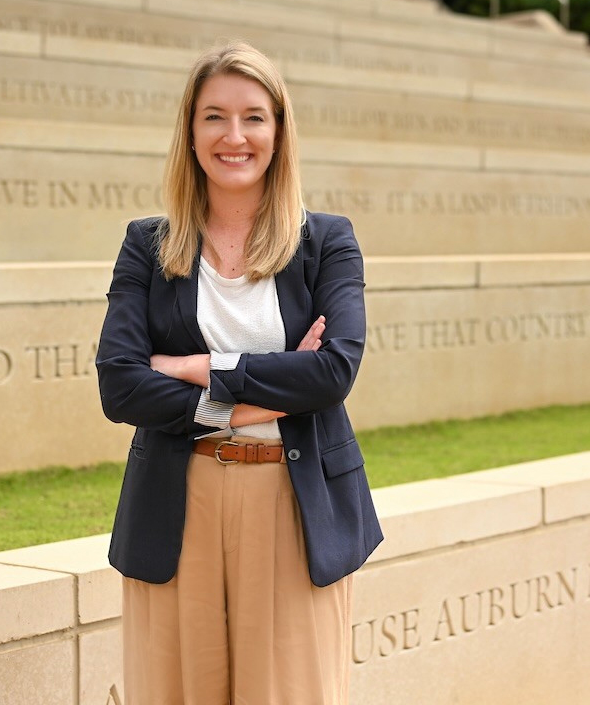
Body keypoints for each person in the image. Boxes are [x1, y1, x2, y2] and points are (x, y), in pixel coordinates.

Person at [95, 41, 383, 705]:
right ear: (190, 132)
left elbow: (333, 370)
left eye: (254, 117)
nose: (234, 136)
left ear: (279, 132)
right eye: (214, 116)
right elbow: (120, 385)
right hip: (177, 496)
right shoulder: (147, 244)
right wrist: (252, 404)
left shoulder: (327, 242)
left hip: (294, 499)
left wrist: (198, 368)